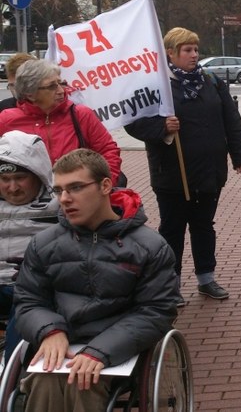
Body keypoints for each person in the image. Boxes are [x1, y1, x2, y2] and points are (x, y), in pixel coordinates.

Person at [14, 149, 180, 411]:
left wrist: (99, 351)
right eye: (58, 191)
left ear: (105, 185)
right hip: (63, 344)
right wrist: (50, 331)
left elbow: (156, 311)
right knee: (46, 381)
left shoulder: (149, 247)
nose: (65, 199)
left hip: (118, 347)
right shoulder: (43, 244)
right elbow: (28, 300)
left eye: (76, 187)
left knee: (82, 382)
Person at [125, 27, 241, 302]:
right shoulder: (156, 86)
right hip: (172, 173)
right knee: (172, 229)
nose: (194, 55)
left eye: (195, 49)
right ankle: (172, 285)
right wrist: (161, 127)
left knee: (204, 226)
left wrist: (240, 155)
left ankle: (206, 278)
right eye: (187, 50)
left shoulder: (212, 82)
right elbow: (133, 122)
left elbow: (231, 119)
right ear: (170, 53)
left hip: (209, 169)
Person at [0, 59, 123, 184]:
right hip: (27, 200)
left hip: (78, 196)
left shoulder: (81, 114)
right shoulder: (6, 120)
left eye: (61, 83)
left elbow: (108, 151)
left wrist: (104, 185)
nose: (61, 91)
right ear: (30, 94)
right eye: (52, 86)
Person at [0, 131, 59, 361]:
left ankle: (10, 378)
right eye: (5, 179)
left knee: (25, 313)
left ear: (39, 174)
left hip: (33, 287)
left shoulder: (61, 204)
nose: (12, 188)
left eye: (20, 178)